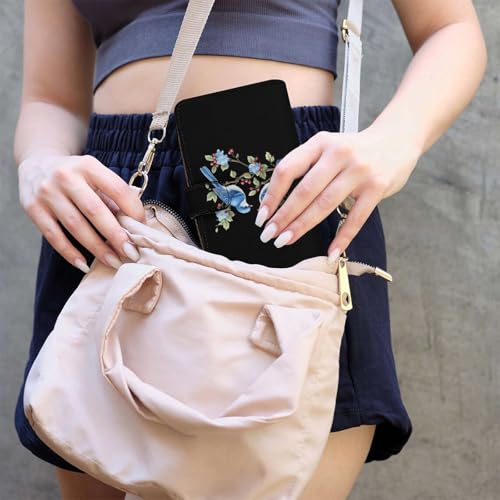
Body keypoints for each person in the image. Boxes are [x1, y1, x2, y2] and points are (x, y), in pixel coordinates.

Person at [12, 1, 486, 499]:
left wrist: (394, 141)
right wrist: (40, 163)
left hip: (282, 192)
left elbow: (450, 29)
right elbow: (50, 99)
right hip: (109, 210)